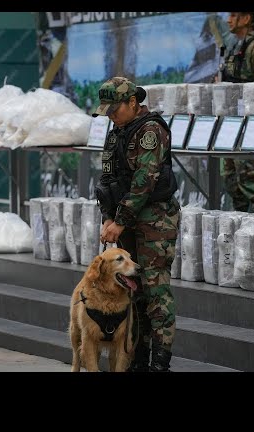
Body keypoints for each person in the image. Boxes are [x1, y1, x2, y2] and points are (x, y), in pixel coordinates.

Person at [94, 77, 180, 372]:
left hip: (155, 220)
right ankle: (139, 359)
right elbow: (107, 178)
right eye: (107, 111)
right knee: (135, 290)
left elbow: (145, 181)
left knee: (156, 290)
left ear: (133, 103)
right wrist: (108, 215)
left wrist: (119, 221)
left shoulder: (151, 130)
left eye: (114, 110)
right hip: (126, 220)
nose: (111, 116)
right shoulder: (116, 131)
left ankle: (160, 363)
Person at [220, 11, 254, 213]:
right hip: (233, 123)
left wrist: (237, 88)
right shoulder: (236, 46)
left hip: (250, 126)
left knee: (252, 183)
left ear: (246, 18)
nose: (228, 19)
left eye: (234, 15)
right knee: (232, 181)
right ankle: (242, 231)